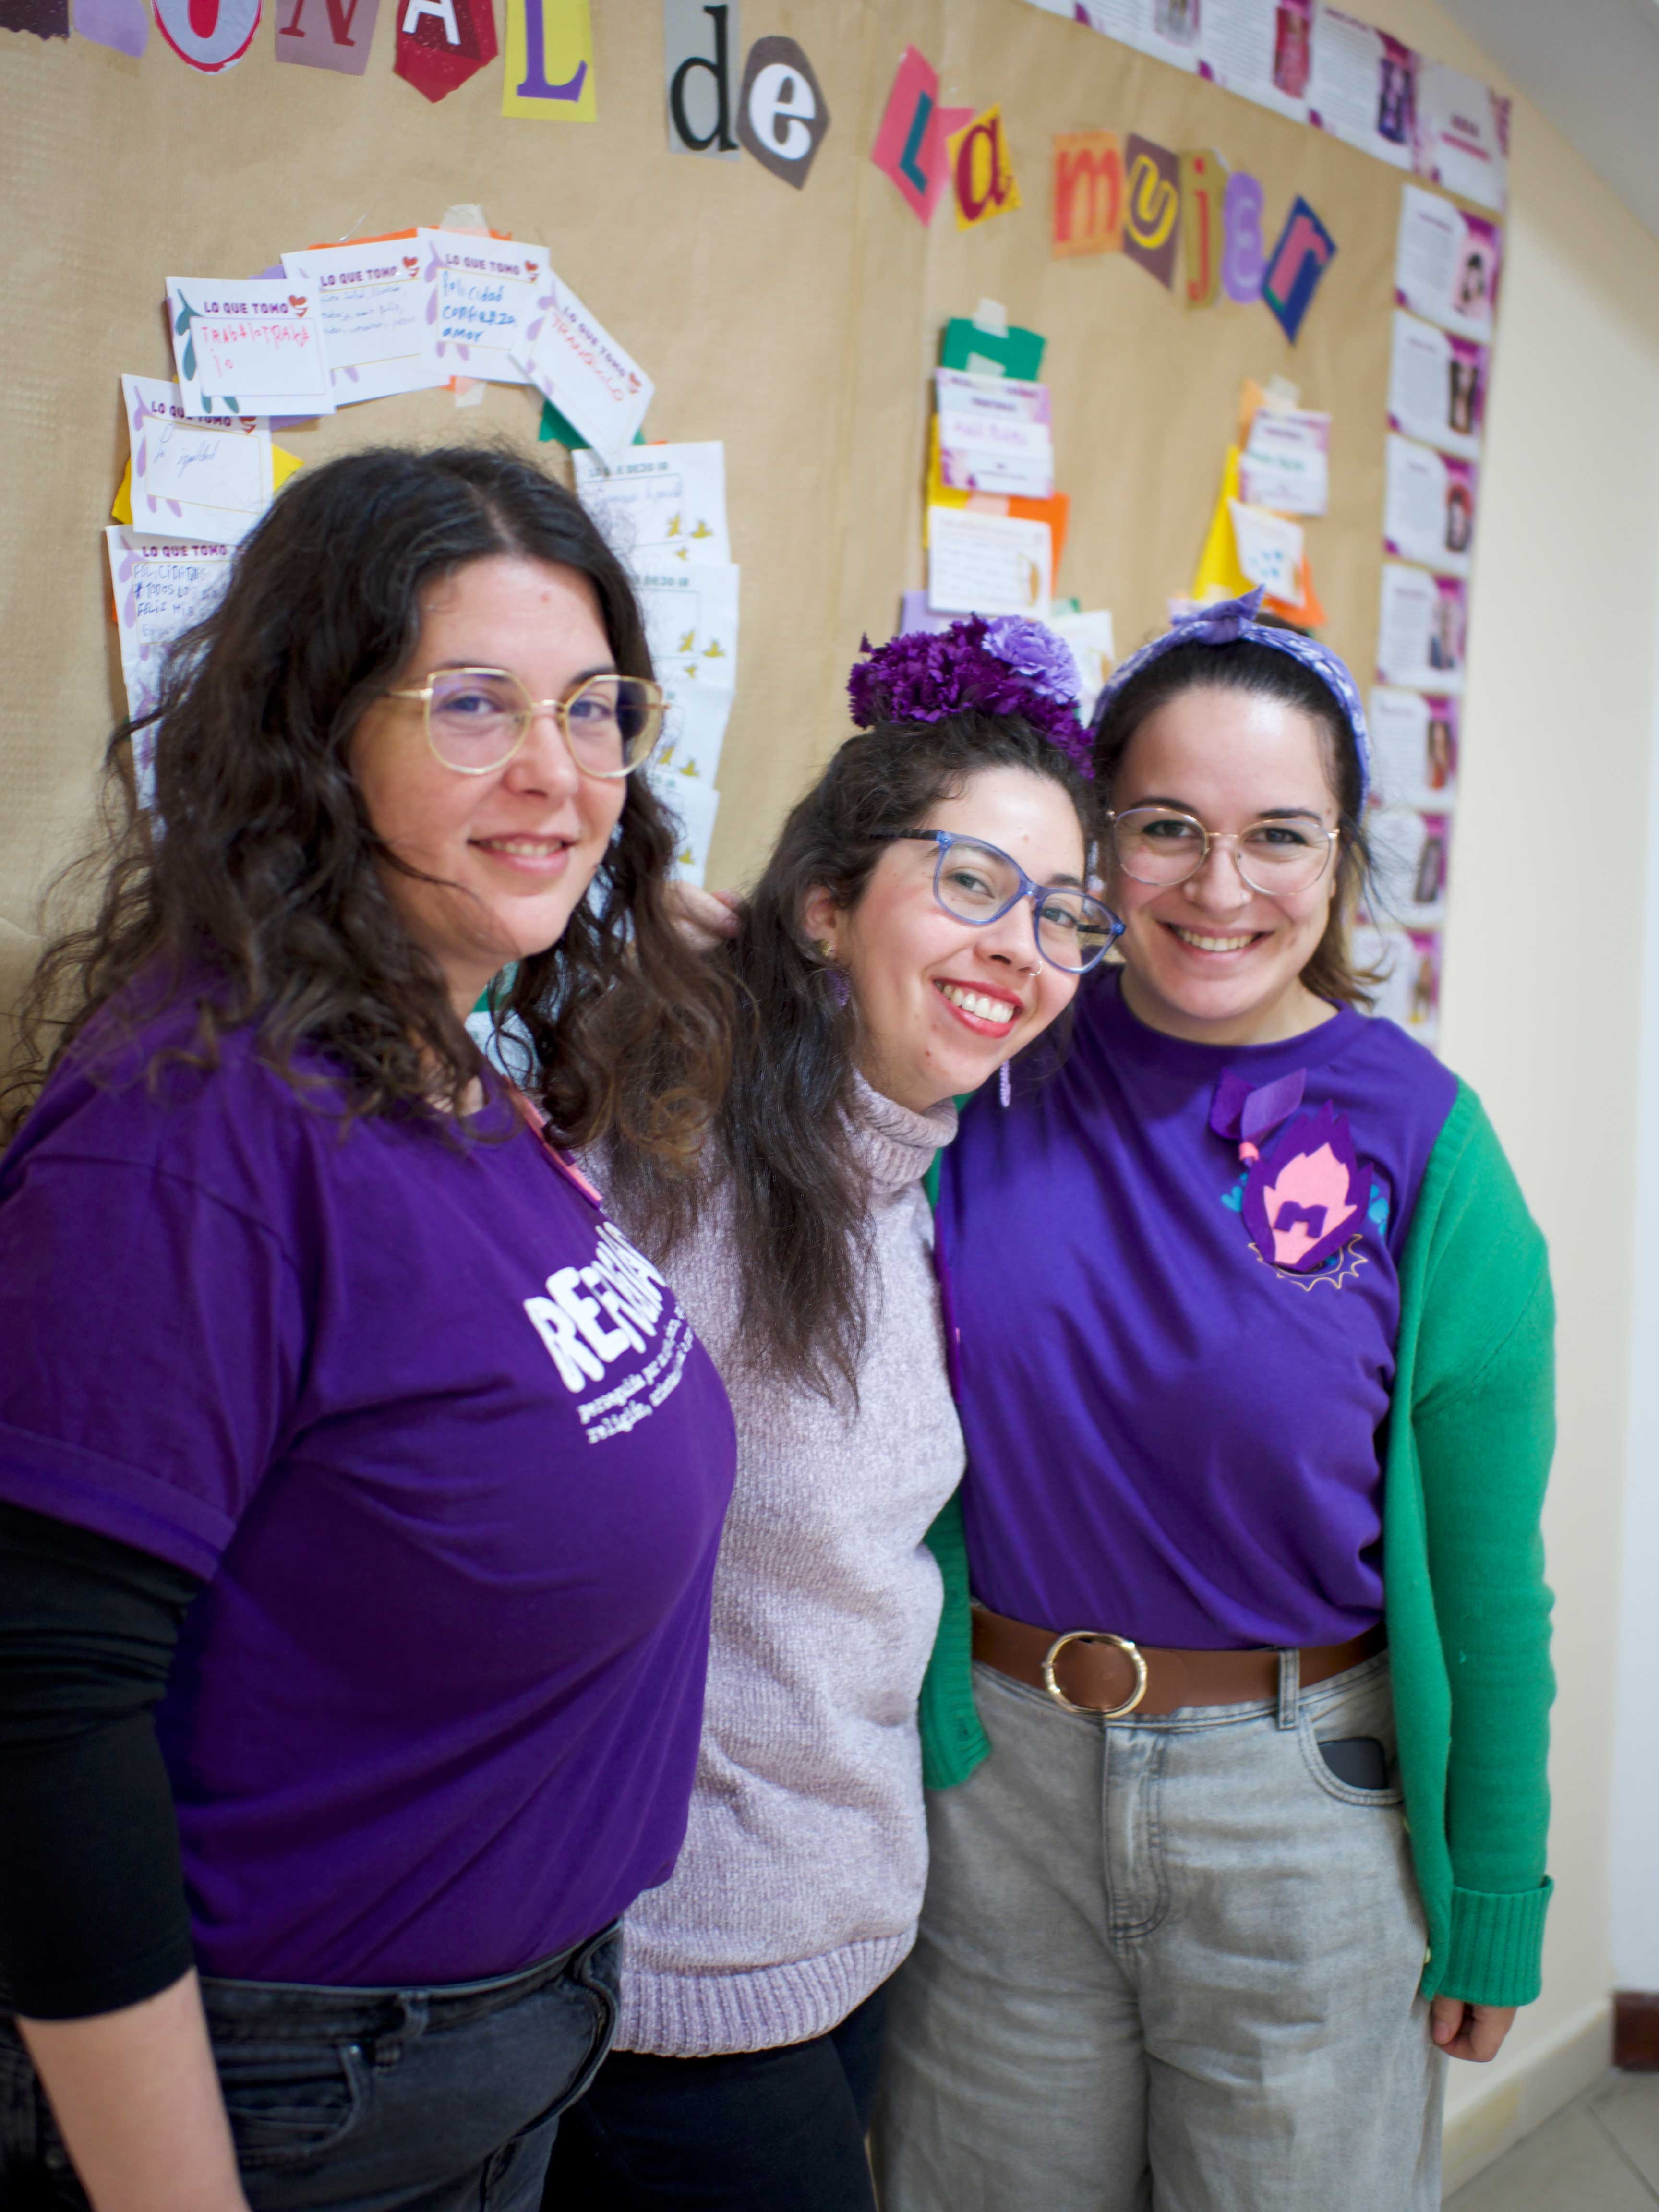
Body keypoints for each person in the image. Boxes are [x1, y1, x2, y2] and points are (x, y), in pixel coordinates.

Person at [0, 447, 738, 2212]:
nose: (556, 773)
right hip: (286, 2099)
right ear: (318, 731)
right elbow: (35, 1711)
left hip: (476, 2063)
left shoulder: (436, 1055)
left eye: (594, 708)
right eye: (474, 706)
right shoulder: (190, 1136)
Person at [871, 589, 1554, 2212]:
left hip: (1307, 1823)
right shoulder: (1001, 1056)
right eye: (1167, 827)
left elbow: (1488, 1583)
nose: (1221, 888)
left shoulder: (1427, 1145)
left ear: (1344, 859)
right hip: (1000, 1801)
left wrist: (1497, 1893)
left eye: (1281, 838)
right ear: (1097, 836)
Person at [544, 619, 1115, 2211]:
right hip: (670, 1982)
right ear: (818, 904)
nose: (1024, 946)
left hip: (851, 1943)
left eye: (1066, 916)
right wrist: (627, 924)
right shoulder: (670, 1153)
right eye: (972, 883)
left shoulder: (915, 1180)